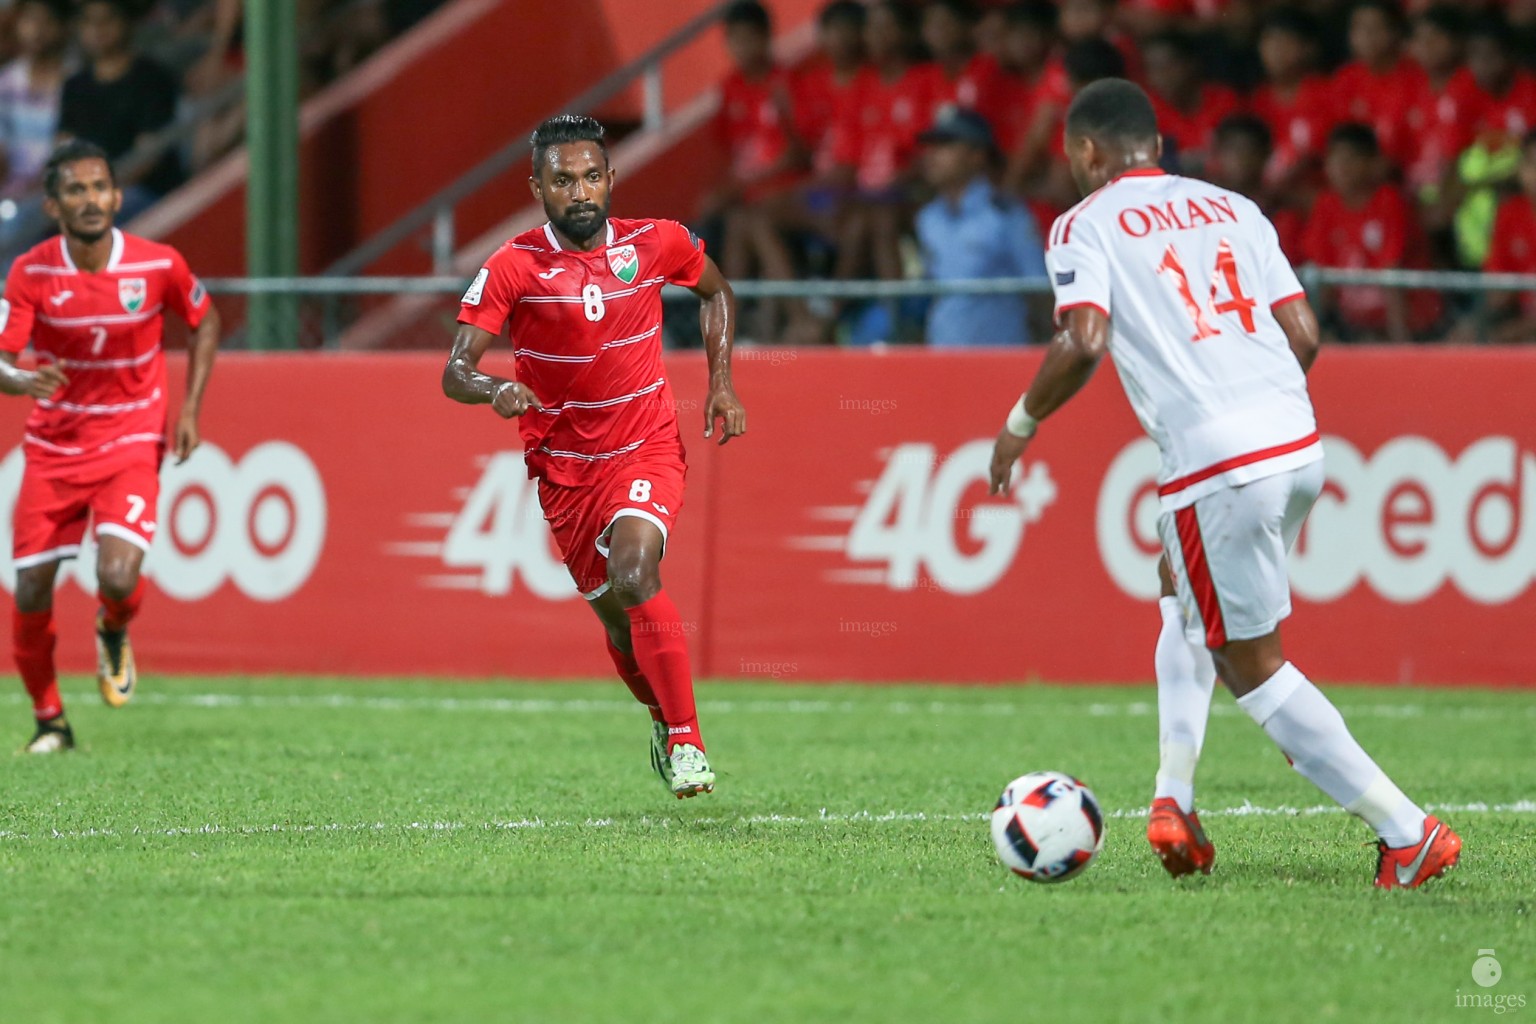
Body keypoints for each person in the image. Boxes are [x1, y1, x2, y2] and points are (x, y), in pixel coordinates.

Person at [987, 79, 1460, 889]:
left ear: (1087, 153)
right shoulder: (1234, 206)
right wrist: (1258, 403)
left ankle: (1406, 830)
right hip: (1299, 443)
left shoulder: (1081, 223)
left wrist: (1019, 425)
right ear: (1159, 149)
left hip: (1219, 461)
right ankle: (1173, 796)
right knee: (1180, 578)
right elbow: (1303, 332)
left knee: (1253, 665)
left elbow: (1084, 337)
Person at [442, 115, 746, 799]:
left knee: (636, 571)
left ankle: (691, 739)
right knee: (618, 618)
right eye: (561, 180)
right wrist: (493, 388)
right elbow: (455, 370)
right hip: (566, 471)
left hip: (646, 447)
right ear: (537, 188)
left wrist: (721, 379)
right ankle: (663, 720)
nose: (578, 191)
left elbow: (716, 291)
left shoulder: (654, 241)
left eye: (589, 176)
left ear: (610, 179)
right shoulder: (513, 265)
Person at [1, 139, 219, 754]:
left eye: (99, 188)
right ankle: (50, 722)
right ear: (52, 204)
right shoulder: (30, 273)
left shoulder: (157, 264)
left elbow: (206, 321)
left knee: (118, 575)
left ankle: (113, 626)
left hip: (130, 437)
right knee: (33, 588)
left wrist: (192, 410)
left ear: (118, 197)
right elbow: (4, 360)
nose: (90, 200)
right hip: (53, 445)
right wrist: (19, 379)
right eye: (76, 190)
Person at [914, 107, 1045, 346]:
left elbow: (1040, 290)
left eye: (946, 144)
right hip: (942, 358)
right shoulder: (927, 218)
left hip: (999, 361)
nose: (932, 155)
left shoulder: (1006, 215)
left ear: (977, 155)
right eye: (931, 145)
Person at [1300, 123, 1440, 342]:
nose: (1340, 168)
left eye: (1350, 160)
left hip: (1409, 323)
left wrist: (1401, 348)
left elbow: (1392, 276)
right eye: (1334, 160)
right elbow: (1322, 281)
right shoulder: (1326, 205)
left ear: (1372, 163)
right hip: (1352, 325)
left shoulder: (1389, 201)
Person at [58, 0, 185, 218]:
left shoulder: (151, 78)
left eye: (107, 20)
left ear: (127, 23)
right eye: (89, 21)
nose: (98, 29)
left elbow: (147, 156)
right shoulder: (75, 85)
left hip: (144, 191)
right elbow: (64, 145)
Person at [0, 0, 72, 199]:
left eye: (47, 21)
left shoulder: (77, 82)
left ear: (64, 28)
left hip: (59, 189)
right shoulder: (6, 82)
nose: (37, 30)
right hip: (12, 193)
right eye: (31, 20)